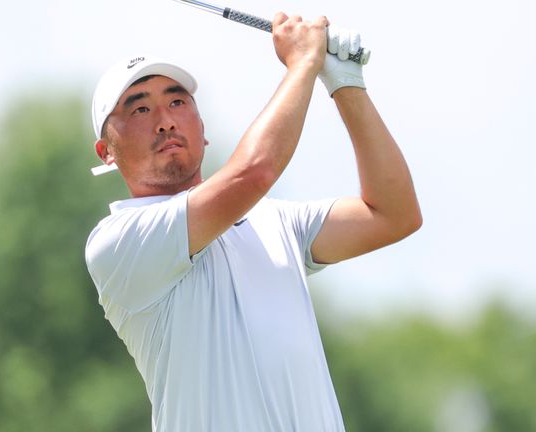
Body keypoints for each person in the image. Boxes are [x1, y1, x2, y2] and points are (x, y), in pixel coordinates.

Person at [85, 12, 422, 432]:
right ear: (106, 152)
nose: (166, 119)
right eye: (139, 109)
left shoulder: (274, 220)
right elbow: (254, 171)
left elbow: (394, 214)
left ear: (202, 128)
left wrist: (346, 84)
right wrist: (303, 66)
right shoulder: (118, 244)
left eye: (177, 101)